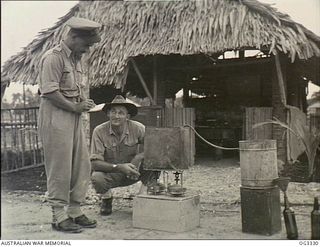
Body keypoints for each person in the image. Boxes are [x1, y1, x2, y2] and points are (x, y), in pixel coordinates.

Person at [38, 17, 101, 233]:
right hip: (56, 116)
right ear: (73, 36)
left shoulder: (75, 59)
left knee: (80, 163)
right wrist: (74, 107)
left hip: (73, 116)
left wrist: (83, 103)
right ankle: (59, 215)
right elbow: (49, 91)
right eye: (86, 45)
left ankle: (74, 210)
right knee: (60, 165)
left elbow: (74, 89)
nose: (87, 49)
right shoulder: (53, 58)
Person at [90, 95, 159, 215]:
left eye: (121, 113)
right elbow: (95, 163)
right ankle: (106, 199)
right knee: (97, 178)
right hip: (112, 173)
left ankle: (142, 198)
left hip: (133, 172)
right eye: (113, 112)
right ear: (108, 114)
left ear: (127, 116)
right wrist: (119, 167)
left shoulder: (138, 128)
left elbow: (155, 148)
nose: (116, 116)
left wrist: (138, 158)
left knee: (155, 162)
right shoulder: (99, 131)